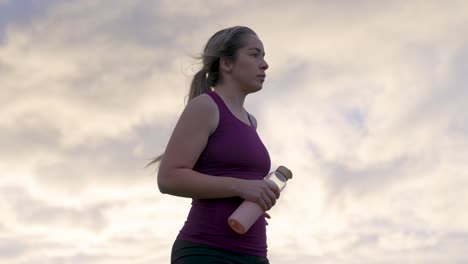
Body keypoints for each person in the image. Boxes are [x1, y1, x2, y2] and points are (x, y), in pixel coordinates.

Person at [149, 26, 280, 264]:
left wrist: (253, 200)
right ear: (227, 64)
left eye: (263, 56)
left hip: (254, 254)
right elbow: (169, 178)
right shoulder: (206, 106)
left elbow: (231, 181)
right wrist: (242, 187)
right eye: (254, 54)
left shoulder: (251, 122)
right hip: (207, 251)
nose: (264, 64)